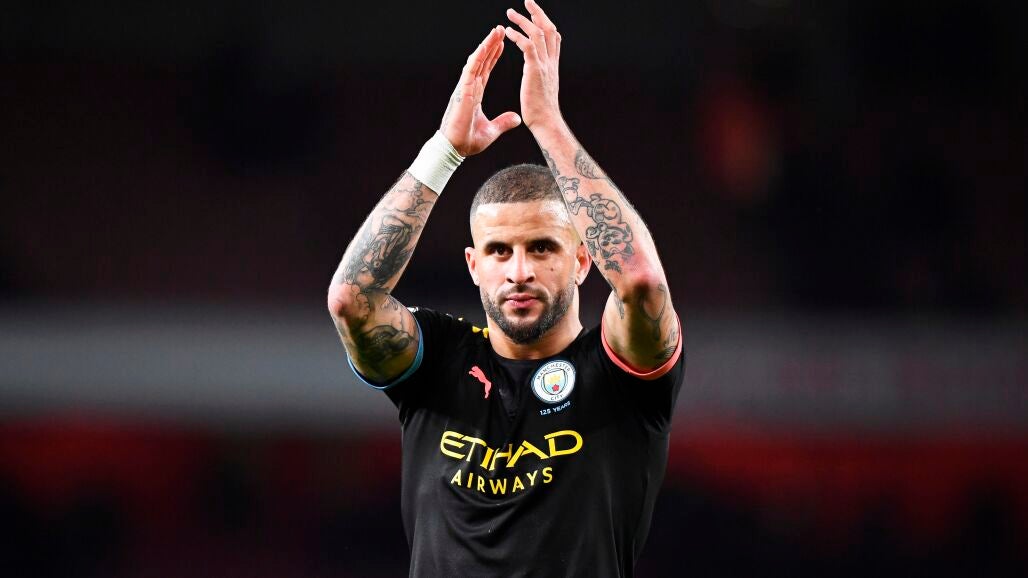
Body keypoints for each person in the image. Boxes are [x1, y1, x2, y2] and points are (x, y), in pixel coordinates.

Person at [327, 1, 683, 575]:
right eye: (499, 251)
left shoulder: (617, 373)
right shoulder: (438, 362)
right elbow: (351, 300)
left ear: (582, 260)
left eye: (541, 248)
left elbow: (642, 282)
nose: (519, 271)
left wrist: (548, 124)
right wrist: (444, 151)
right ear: (473, 265)